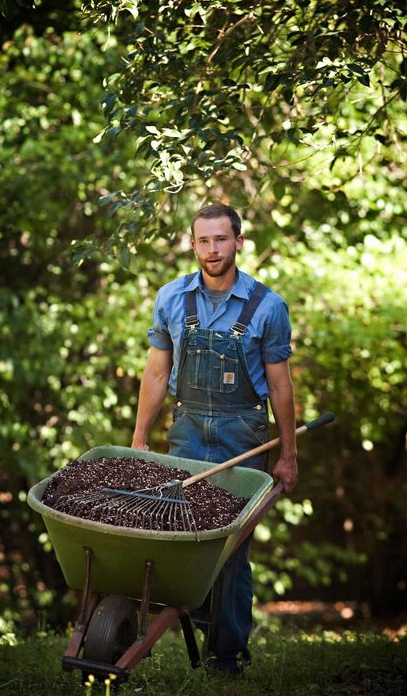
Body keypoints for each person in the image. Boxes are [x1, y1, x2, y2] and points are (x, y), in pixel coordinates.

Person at [132, 202, 297, 674]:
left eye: (221, 239)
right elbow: (157, 373)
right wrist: (140, 438)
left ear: (238, 242)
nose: (212, 250)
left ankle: (226, 655)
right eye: (203, 240)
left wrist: (288, 453)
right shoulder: (170, 298)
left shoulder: (267, 306)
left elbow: (281, 386)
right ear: (192, 244)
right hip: (186, 431)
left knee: (232, 548)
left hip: (243, 436)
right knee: (184, 538)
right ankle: (202, 628)